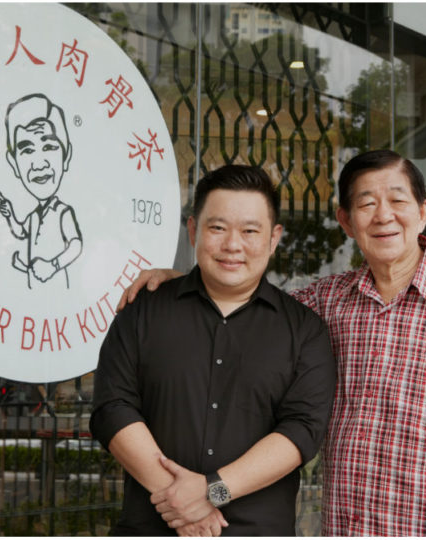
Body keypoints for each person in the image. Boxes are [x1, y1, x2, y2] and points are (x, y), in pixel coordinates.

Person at [117, 150, 426, 536]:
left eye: (397, 201)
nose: (384, 216)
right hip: (346, 528)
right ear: (346, 221)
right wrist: (183, 281)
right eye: (366, 204)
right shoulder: (327, 302)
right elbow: (243, 294)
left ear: (422, 212)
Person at [91, 165, 335, 536]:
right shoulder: (144, 309)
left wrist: (211, 492)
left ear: (273, 238)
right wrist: (179, 500)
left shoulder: (305, 330)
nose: (232, 245)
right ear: (193, 230)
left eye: (250, 231)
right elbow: (113, 407)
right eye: (217, 228)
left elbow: (301, 430)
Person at [0, 93, 83, 289]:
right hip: (34, 292)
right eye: (28, 150)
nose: (39, 164)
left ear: (66, 157)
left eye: (49, 146)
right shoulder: (34, 215)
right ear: (13, 163)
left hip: (59, 295)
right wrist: (9, 213)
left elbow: (76, 245)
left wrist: (52, 266)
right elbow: (22, 232)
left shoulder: (62, 211)